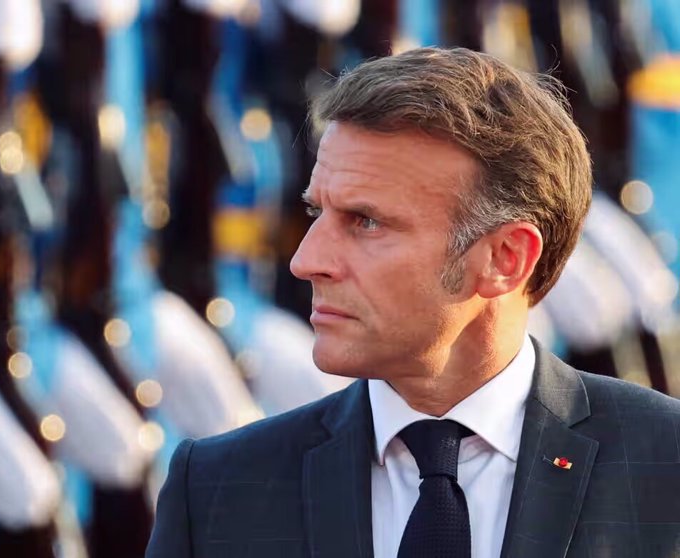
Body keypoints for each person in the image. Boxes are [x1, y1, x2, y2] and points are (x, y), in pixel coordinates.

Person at [145, 47, 680, 558]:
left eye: (366, 222)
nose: (307, 261)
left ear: (505, 258)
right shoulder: (219, 489)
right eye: (316, 214)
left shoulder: (664, 466)